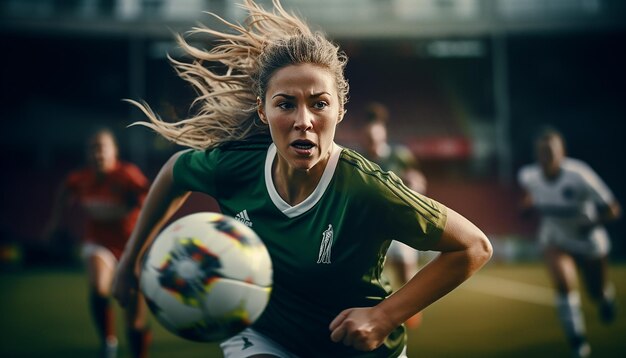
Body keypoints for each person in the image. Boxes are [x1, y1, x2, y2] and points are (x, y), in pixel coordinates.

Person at [113, 1, 493, 357]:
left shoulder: (366, 187)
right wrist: (131, 259)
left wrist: (383, 316)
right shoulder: (236, 167)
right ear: (262, 111)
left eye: (319, 103)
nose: (303, 120)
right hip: (263, 336)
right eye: (285, 104)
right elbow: (174, 172)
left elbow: (473, 247)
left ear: (341, 111)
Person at [43, 128, 151, 358]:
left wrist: (141, 211)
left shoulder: (128, 175)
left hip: (131, 247)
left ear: (115, 151)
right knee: (99, 288)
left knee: (135, 319)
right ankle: (108, 342)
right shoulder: (80, 179)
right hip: (99, 242)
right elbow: (64, 190)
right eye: (92, 148)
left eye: (102, 147)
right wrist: (54, 222)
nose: (97, 153)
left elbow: (150, 198)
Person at [517, 126, 621, 358]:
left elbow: (613, 209)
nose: (546, 158)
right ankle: (577, 342)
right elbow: (526, 201)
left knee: (596, 291)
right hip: (556, 239)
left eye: (550, 153)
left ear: (562, 153)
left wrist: (592, 223)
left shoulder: (580, 175)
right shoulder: (528, 176)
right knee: (564, 285)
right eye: (542, 153)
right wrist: (525, 206)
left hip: (588, 241)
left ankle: (606, 297)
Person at [360, 101, 427, 329]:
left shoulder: (399, 155)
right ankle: (375, 313)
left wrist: (412, 190)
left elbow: (419, 181)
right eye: (369, 140)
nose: (373, 144)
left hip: (398, 223)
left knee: (406, 272)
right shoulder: (359, 159)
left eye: (376, 139)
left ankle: (411, 314)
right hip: (371, 225)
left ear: (384, 135)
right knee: (369, 274)